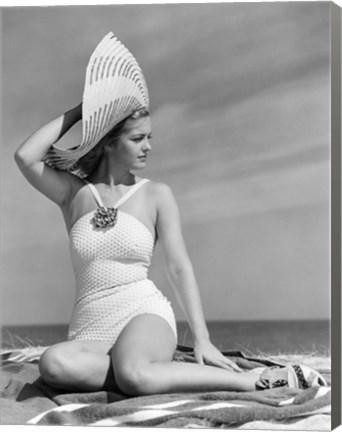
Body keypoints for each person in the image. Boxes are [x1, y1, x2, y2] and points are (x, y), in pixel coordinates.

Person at [14, 33, 326, 396]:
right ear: (109, 142)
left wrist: (203, 340)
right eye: (137, 139)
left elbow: (179, 268)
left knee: (133, 373)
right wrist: (87, 108)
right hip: (89, 330)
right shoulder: (74, 194)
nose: (148, 146)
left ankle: (247, 381)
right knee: (54, 363)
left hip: (142, 316)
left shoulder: (156, 195)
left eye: (150, 137)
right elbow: (26, 156)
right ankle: (155, 372)